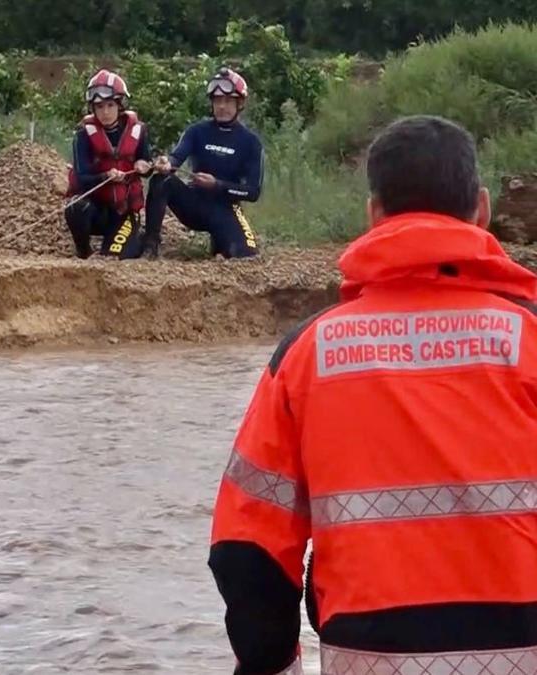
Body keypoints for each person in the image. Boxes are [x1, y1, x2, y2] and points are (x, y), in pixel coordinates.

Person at [208, 115, 537, 674]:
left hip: (369, 656)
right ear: (481, 210)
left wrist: (271, 664)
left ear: (373, 216)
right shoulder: (529, 339)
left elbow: (249, 547)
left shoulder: (306, 355)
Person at [143, 67, 263, 259]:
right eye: (217, 101)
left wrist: (217, 185)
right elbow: (176, 158)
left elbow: (253, 192)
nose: (222, 106)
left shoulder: (251, 142)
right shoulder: (196, 131)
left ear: (239, 103)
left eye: (228, 101)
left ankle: (220, 241)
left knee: (245, 255)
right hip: (194, 204)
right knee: (161, 180)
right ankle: (150, 245)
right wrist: (166, 163)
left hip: (226, 208)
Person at [63, 69, 154, 259]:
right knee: (75, 207)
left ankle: (141, 238)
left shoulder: (139, 131)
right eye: (99, 106)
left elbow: (145, 162)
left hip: (124, 210)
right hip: (96, 209)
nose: (105, 112)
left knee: (114, 257)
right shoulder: (83, 135)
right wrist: (105, 177)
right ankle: (83, 251)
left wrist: (144, 166)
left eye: (110, 105)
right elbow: (81, 179)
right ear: (92, 108)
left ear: (120, 105)